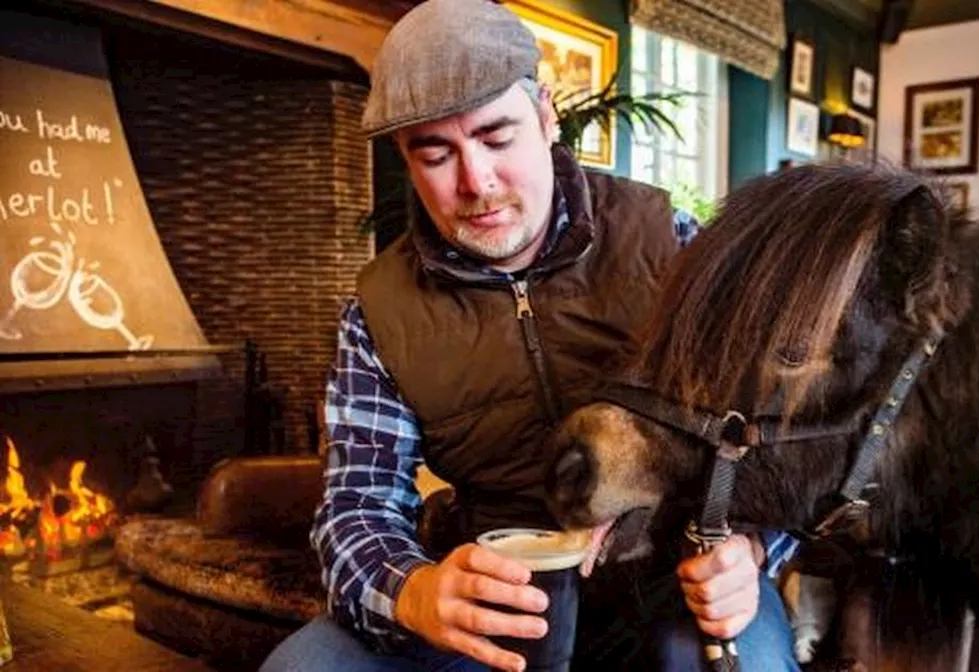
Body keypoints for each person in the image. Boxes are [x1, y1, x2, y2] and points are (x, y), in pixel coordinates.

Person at [260, 1, 800, 671]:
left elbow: (777, 437)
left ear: (546, 116)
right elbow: (356, 506)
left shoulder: (674, 244)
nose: (476, 184)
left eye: (496, 137)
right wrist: (415, 591)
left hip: (671, 582)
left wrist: (750, 552)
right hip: (495, 588)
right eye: (435, 154)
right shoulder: (379, 311)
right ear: (404, 156)